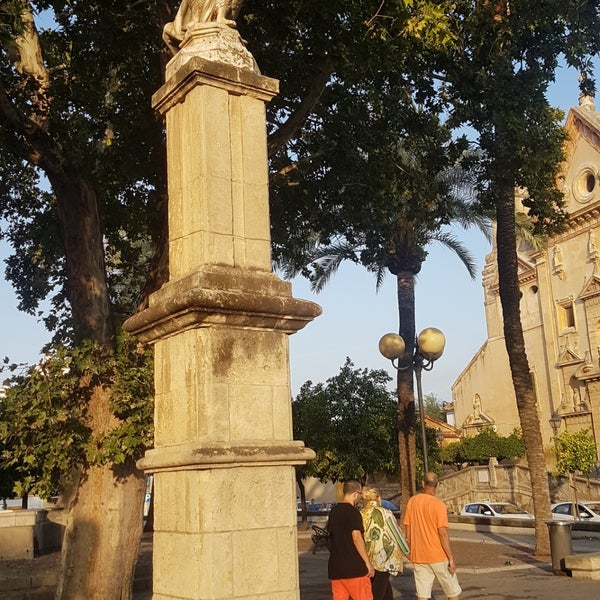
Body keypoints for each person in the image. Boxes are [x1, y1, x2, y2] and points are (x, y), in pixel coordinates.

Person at [403, 472, 461, 600]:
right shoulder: (439, 505)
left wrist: (409, 549)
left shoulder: (412, 502)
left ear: (422, 484)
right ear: (438, 485)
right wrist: (450, 558)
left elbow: (408, 528)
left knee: (422, 595)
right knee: (452, 592)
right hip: (438, 555)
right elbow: (443, 534)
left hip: (419, 555)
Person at [326, 480, 375, 600]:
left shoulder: (334, 512)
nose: (360, 498)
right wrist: (367, 563)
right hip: (355, 568)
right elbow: (356, 537)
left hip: (336, 568)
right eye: (360, 495)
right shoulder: (353, 512)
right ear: (355, 494)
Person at [361, 488, 406, 600]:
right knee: (378, 591)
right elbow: (396, 535)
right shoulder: (386, 513)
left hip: (368, 557)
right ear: (379, 499)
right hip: (384, 557)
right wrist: (406, 551)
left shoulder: (361, 514)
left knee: (384, 587)